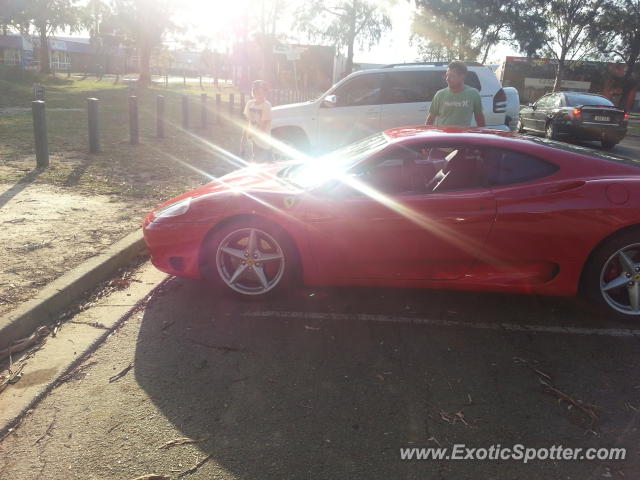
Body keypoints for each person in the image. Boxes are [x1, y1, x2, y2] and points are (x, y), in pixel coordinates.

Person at [426, 61, 486, 128]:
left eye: (452, 76)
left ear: (462, 77)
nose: (447, 79)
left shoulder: (473, 94)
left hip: (462, 137)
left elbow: (479, 119)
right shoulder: (440, 94)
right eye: (447, 75)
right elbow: (430, 119)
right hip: (443, 136)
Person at [241, 80, 273, 162]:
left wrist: (251, 135)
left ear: (266, 94)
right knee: (257, 164)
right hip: (254, 142)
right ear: (253, 93)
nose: (260, 95)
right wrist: (243, 141)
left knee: (260, 165)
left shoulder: (266, 106)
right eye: (258, 92)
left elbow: (263, 125)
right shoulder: (249, 104)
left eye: (263, 93)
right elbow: (247, 122)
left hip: (264, 144)